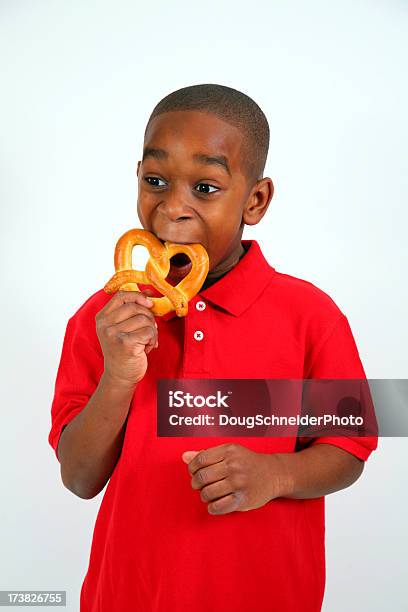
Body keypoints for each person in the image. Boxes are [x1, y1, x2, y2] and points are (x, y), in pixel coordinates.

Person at [48, 84, 378, 612]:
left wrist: (277, 474)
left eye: (205, 187)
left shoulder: (311, 316)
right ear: (137, 179)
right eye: (156, 181)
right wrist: (118, 375)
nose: (173, 207)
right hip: (128, 596)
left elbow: (351, 449)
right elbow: (79, 477)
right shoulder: (103, 320)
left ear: (256, 200)